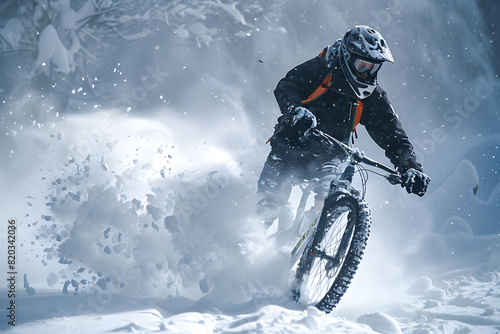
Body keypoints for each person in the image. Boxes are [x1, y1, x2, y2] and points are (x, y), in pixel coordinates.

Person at [257, 25, 430, 224]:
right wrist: (295, 111)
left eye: (374, 67)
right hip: (290, 147)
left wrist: (410, 167)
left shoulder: (373, 96)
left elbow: (393, 134)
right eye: (363, 65)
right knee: (267, 208)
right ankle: (253, 240)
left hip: (330, 156)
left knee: (336, 194)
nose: (367, 73)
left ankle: (314, 240)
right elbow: (288, 85)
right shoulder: (320, 68)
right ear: (348, 57)